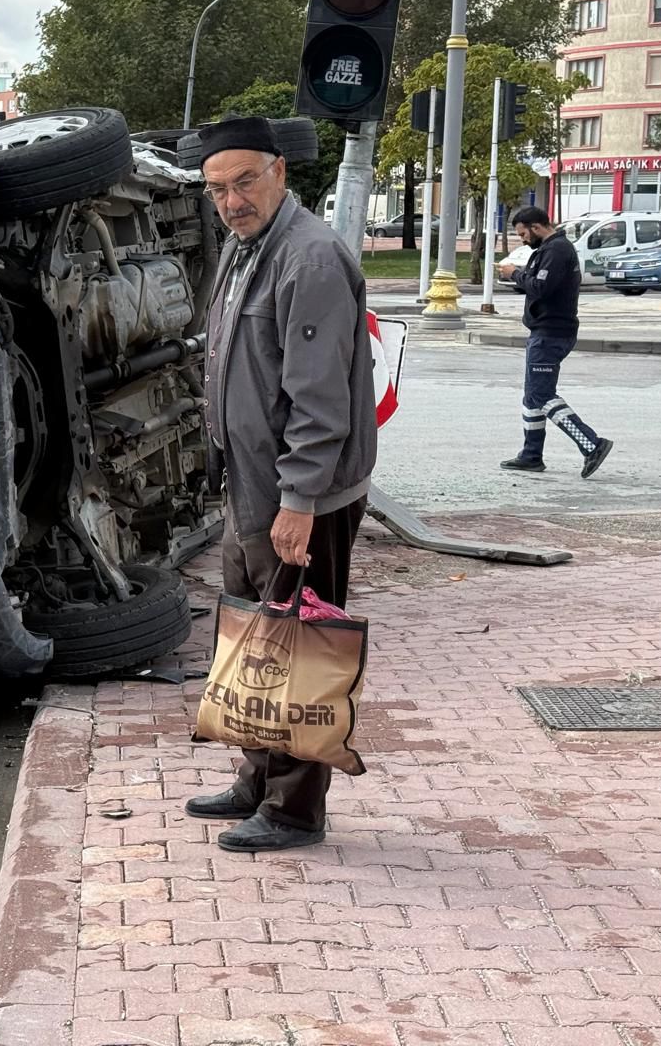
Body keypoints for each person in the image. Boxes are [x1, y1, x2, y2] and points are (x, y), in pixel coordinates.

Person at [189, 116, 378, 853]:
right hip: (251, 486)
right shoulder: (245, 250)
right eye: (217, 189)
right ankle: (258, 777)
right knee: (253, 635)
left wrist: (298, 501)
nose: (231, 201)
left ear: (279, 174)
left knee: (297, 644)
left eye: (244, 182)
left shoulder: (310, 257)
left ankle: (296, 809)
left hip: (300, 496)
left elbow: (319, 397)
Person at [498, 207, 613, 478]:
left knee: (541, 395)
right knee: (532, 396)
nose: (523, 239)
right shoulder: (549, 250)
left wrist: (514, 274)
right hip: (544, 331)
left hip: (551, 333)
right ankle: (531, 455)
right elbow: (540, 281)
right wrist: (522, 273)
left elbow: (540, 287)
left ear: (536, 227)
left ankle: (592, 444)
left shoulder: (557, 250)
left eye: (523, 234)